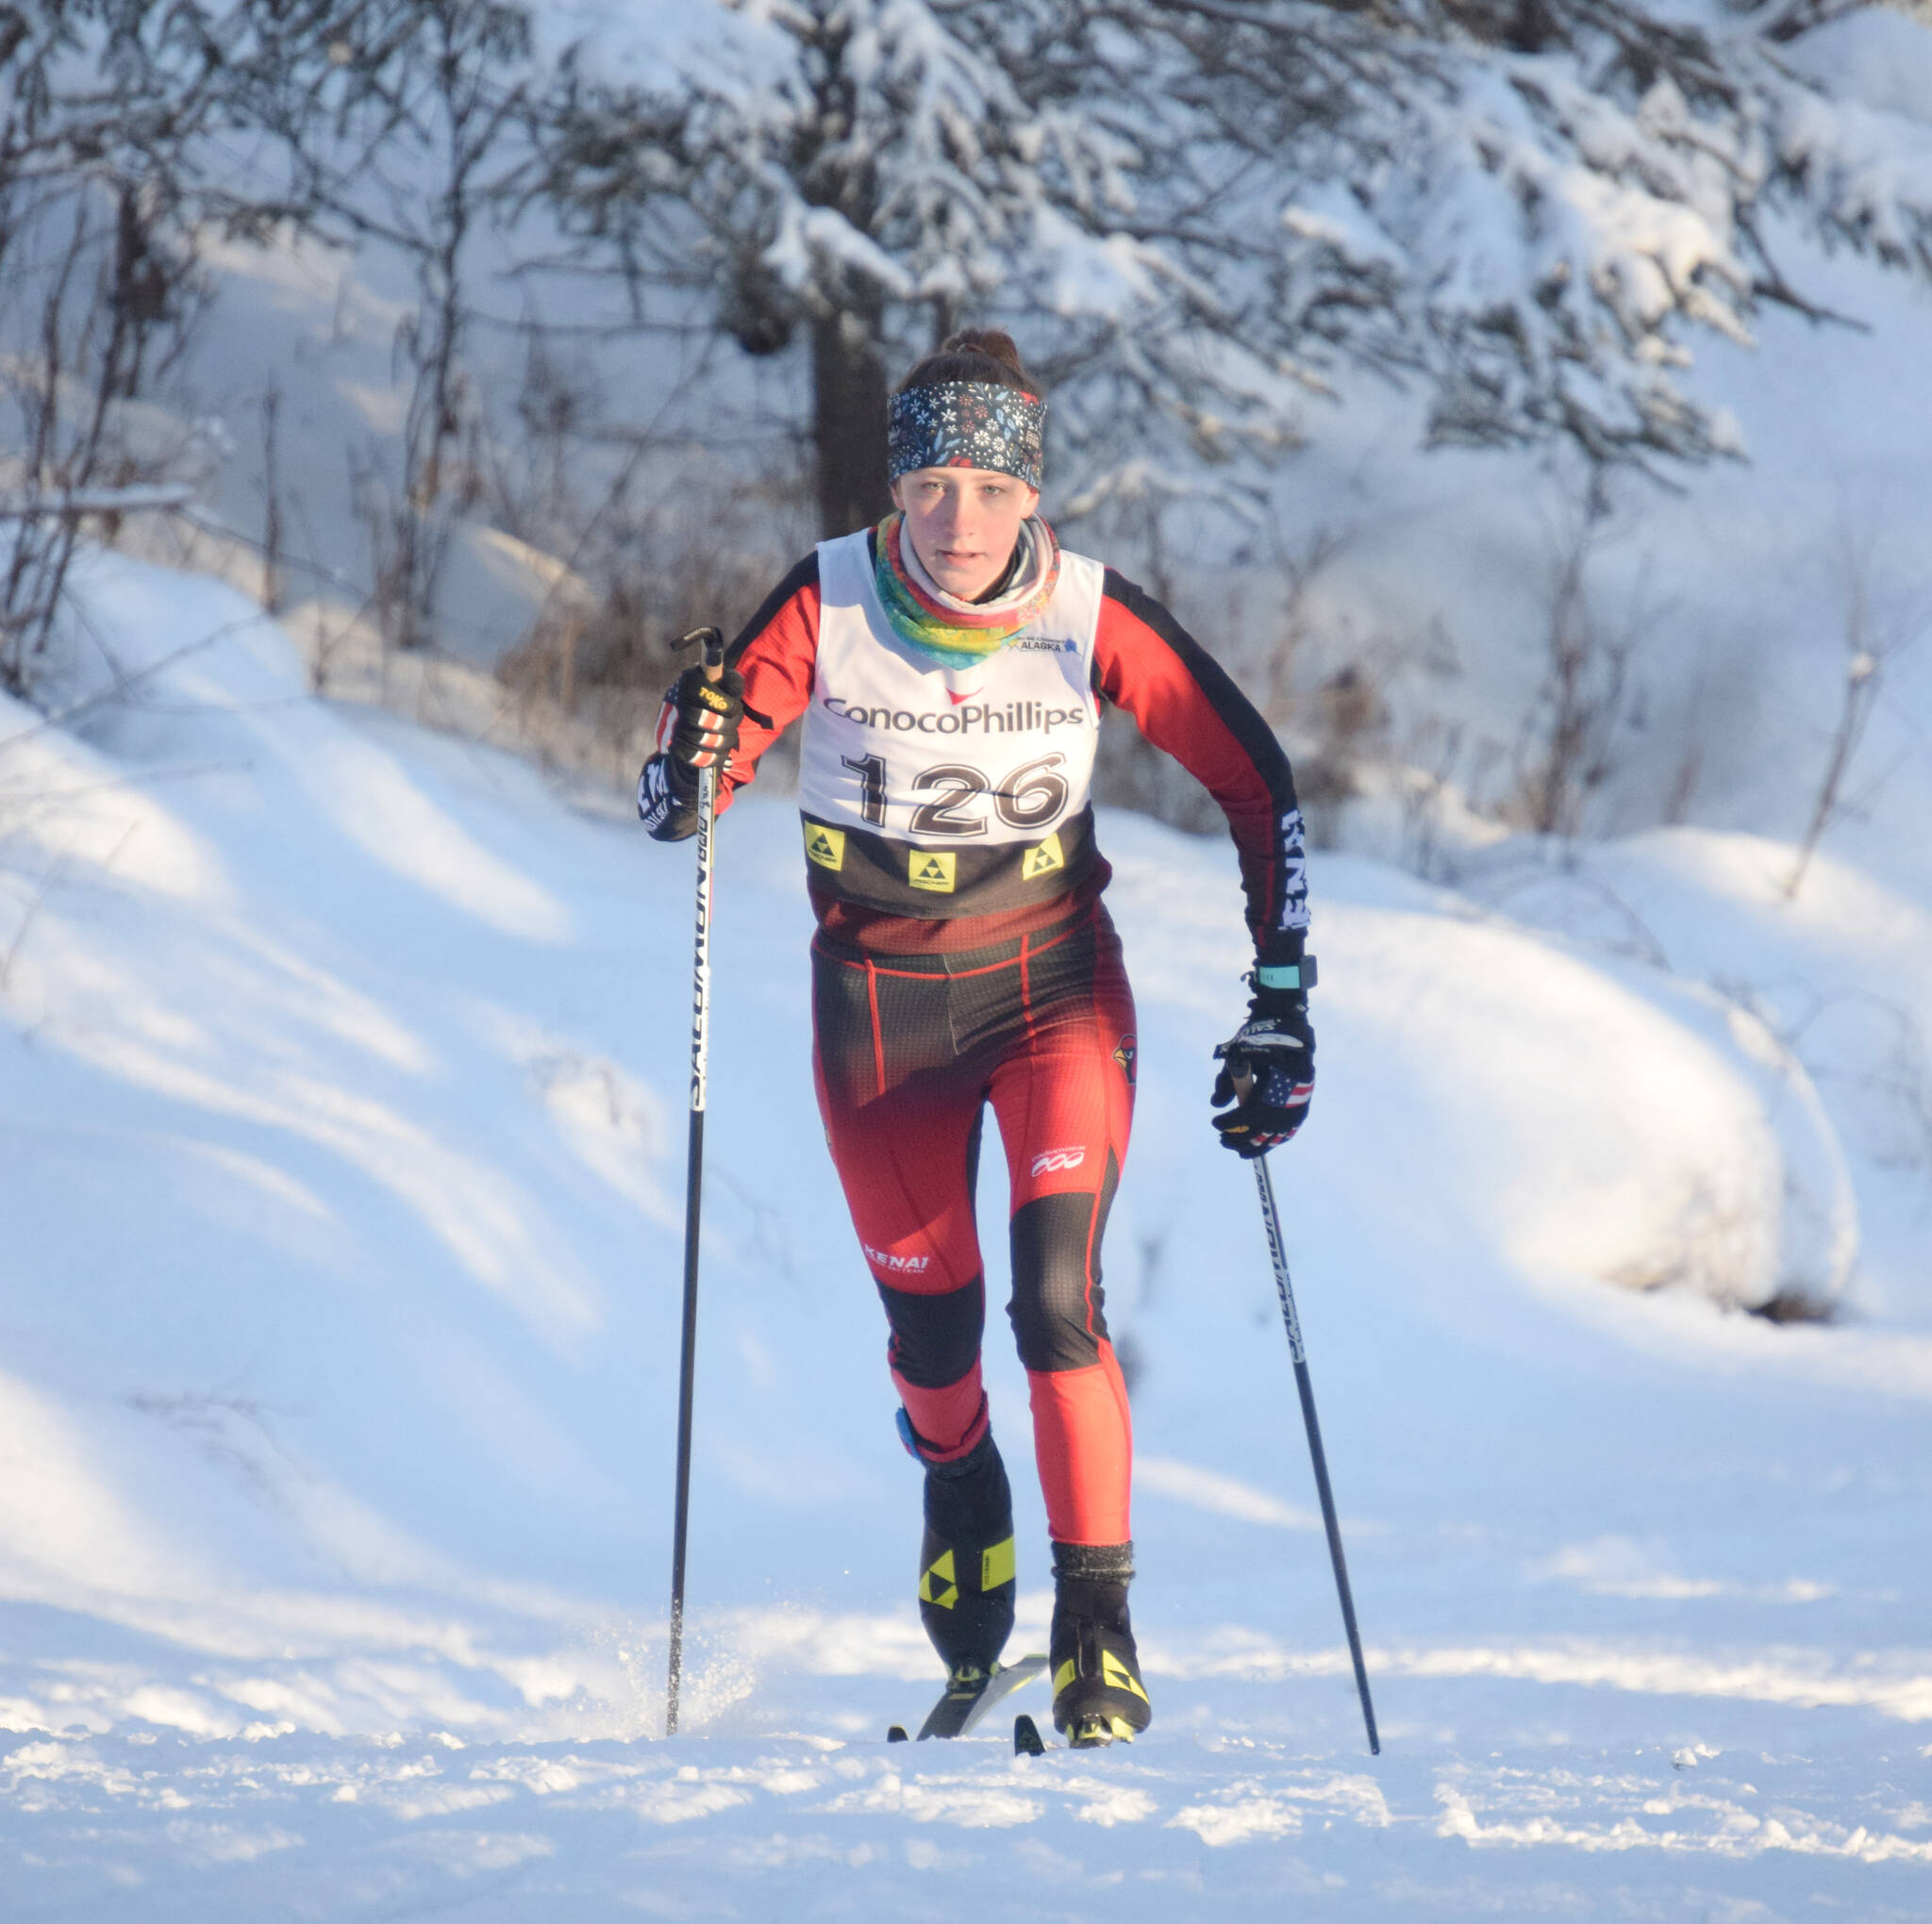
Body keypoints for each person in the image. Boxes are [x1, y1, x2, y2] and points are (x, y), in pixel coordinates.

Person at [639, 329, 1314, 1748]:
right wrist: (686, 766)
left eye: (991, 491)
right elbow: (693, 775)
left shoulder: (1084, 613)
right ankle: (959, 1483)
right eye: (934, 484)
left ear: (1033, 496)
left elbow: (1256, 779)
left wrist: (1281, 997)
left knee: (1056, 1301)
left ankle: (1098, 1628)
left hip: (1050, 988)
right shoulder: (826, 600)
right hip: (880, 1013)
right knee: (936, 1347)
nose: (960, 523)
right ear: (898, 485)